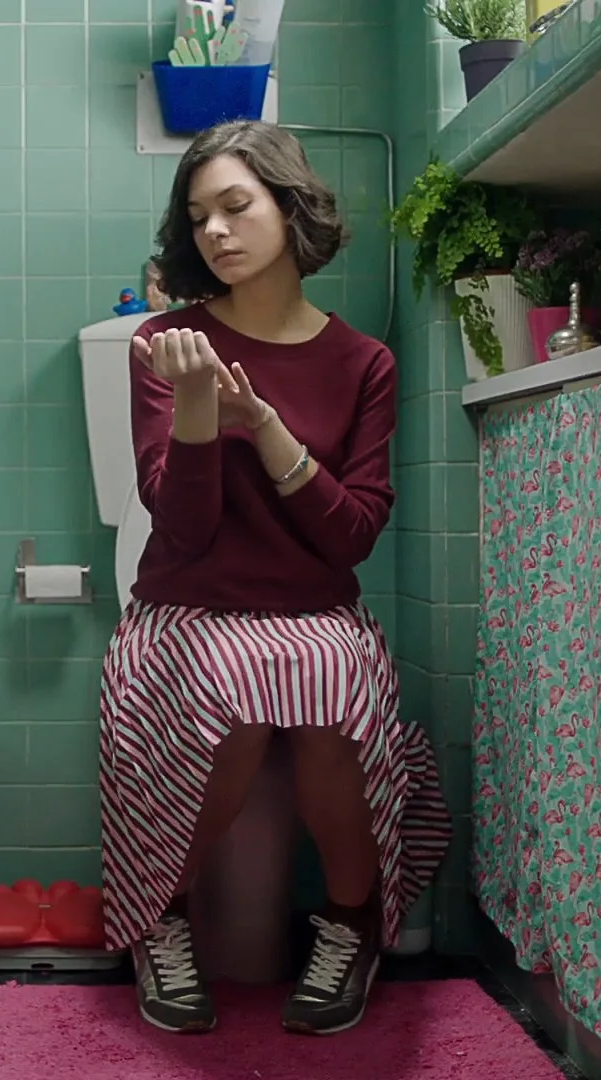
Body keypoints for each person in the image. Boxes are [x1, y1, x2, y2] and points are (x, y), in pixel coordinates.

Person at [99, 120, 451, 1036]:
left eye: (235, 206)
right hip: (190, 609)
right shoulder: (165, 345)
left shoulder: (364, 363)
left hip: (313, 609)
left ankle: (349, 923)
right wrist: (196, 405)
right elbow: (182, 528)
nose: (215, 231)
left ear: (290, 210)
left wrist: (262, 425)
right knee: (239, 695)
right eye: (198, 217)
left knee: (331, 690)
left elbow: (352, 538)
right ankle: (161, 920)